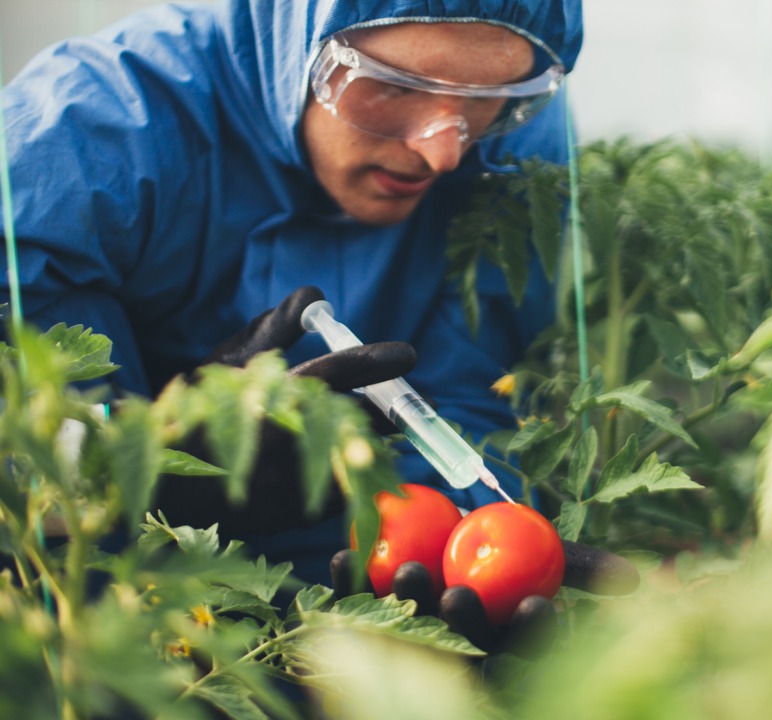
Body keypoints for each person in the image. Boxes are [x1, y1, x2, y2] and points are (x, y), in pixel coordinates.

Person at [1, 0, 635, 647]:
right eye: (394, 86)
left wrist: (469, 554)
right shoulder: (80, 138)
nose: (444, 151)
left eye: (486, 95)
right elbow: (22, 454)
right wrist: (153, 461)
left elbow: (470, 394)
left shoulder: (509, 122)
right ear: (302, 41)